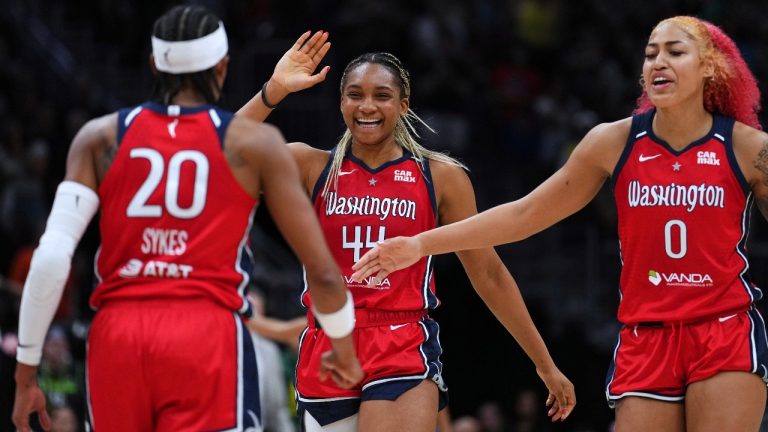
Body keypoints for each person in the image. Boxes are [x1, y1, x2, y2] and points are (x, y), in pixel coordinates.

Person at [352, 15, 768, 431]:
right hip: (646, 334)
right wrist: (420, 244)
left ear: (710, 66)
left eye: (675, 52)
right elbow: (524, 213)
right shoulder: (613, 141)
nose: (658, 62)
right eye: (650, 54)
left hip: (723, 328)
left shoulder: (749, 148)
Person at [12, 6, 362, 432]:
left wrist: (26, 370)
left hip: (117, 335)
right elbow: (324, 275)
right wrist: (343, 348)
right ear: (223, 67)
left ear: (154, 64)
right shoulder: (255, 145)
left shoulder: (98, 137)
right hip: (204, 334)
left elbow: (49, 262)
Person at [237, 31, 575, 431]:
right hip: (327, 341)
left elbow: (488, 273)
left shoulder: (440, 176)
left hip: (401, 340)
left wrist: (544, 363)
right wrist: (272, 91)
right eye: (355, 94)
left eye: (381, 95)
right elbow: (218, 153)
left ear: (403, 104)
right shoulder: (309, 165)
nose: (367, 106)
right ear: (341, 101)